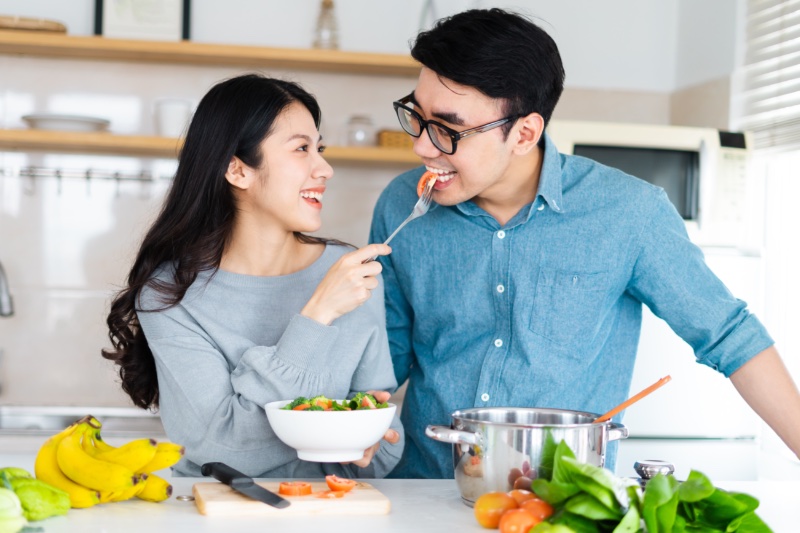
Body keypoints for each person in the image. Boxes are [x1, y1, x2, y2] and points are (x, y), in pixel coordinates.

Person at [369, 8, 800, 479]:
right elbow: (384, 355)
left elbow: (730, 335)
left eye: (448, 130)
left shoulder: (629, 212)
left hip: (564, 504)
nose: (422, 148)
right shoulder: (401, 206)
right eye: (417, 116)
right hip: (424, 491)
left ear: (525, 133)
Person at [103, 73, 403, 478]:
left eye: (320, 149)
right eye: (301, 149)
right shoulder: (169, 295)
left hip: (333, 515)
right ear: (237, 170)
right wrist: (316, 317)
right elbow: (221, 450)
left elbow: (382, 444)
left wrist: (367, 439)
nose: (325, 168)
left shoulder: (351, 273)